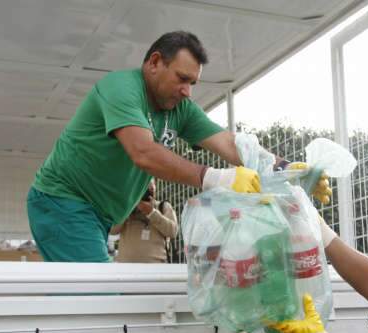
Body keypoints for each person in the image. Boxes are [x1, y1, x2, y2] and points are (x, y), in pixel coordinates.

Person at [26, 31, 262, 263]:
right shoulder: (120, 88)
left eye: (192, 83)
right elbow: (143, 153)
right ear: (155, 62)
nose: (187, 91)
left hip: (100, 214)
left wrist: (279, 166)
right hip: (62, 200)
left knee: (82, 296)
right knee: (98, 297)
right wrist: (215, 178)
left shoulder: (181, 109)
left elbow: (227, 143)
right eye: (181, 78)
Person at [111, 179, 177, 263]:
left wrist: (151, 212)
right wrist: (127, 210)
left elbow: (173, 231)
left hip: (155, 269)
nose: (146, 190)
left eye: (150, 186)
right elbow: (112, 230)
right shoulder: (126, 208)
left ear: (154, 188)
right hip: (125, 269)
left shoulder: (163, 206)